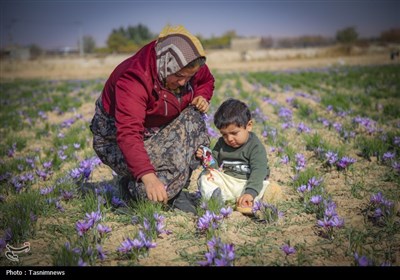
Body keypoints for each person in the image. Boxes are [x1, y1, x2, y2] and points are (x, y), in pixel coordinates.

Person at [90, 25, 215, 212]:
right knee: (157, 177)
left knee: (194, 121)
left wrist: (202, 95)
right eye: (179, 76)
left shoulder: (187, 64)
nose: (183, 82)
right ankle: (135, 192)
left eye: (188, 78)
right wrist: (147, 176)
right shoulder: (134, 78)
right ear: (166, 64)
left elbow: (206, 81)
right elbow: (129, 133)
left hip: (157, 129)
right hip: (115, 140)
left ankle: (172, 188)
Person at [196, 98, 270, 213]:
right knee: (205, 175)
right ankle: (215, 199)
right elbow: (214, 166)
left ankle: (248, 202)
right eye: (224, 134)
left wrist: (250, 193)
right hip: (228, 182)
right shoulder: (221, 143)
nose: (229, 139)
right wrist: (207, 158)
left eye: (234, 133)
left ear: (249, 125)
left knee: (265, 187)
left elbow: (259, 171)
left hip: (247, 183)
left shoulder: (255, 146)